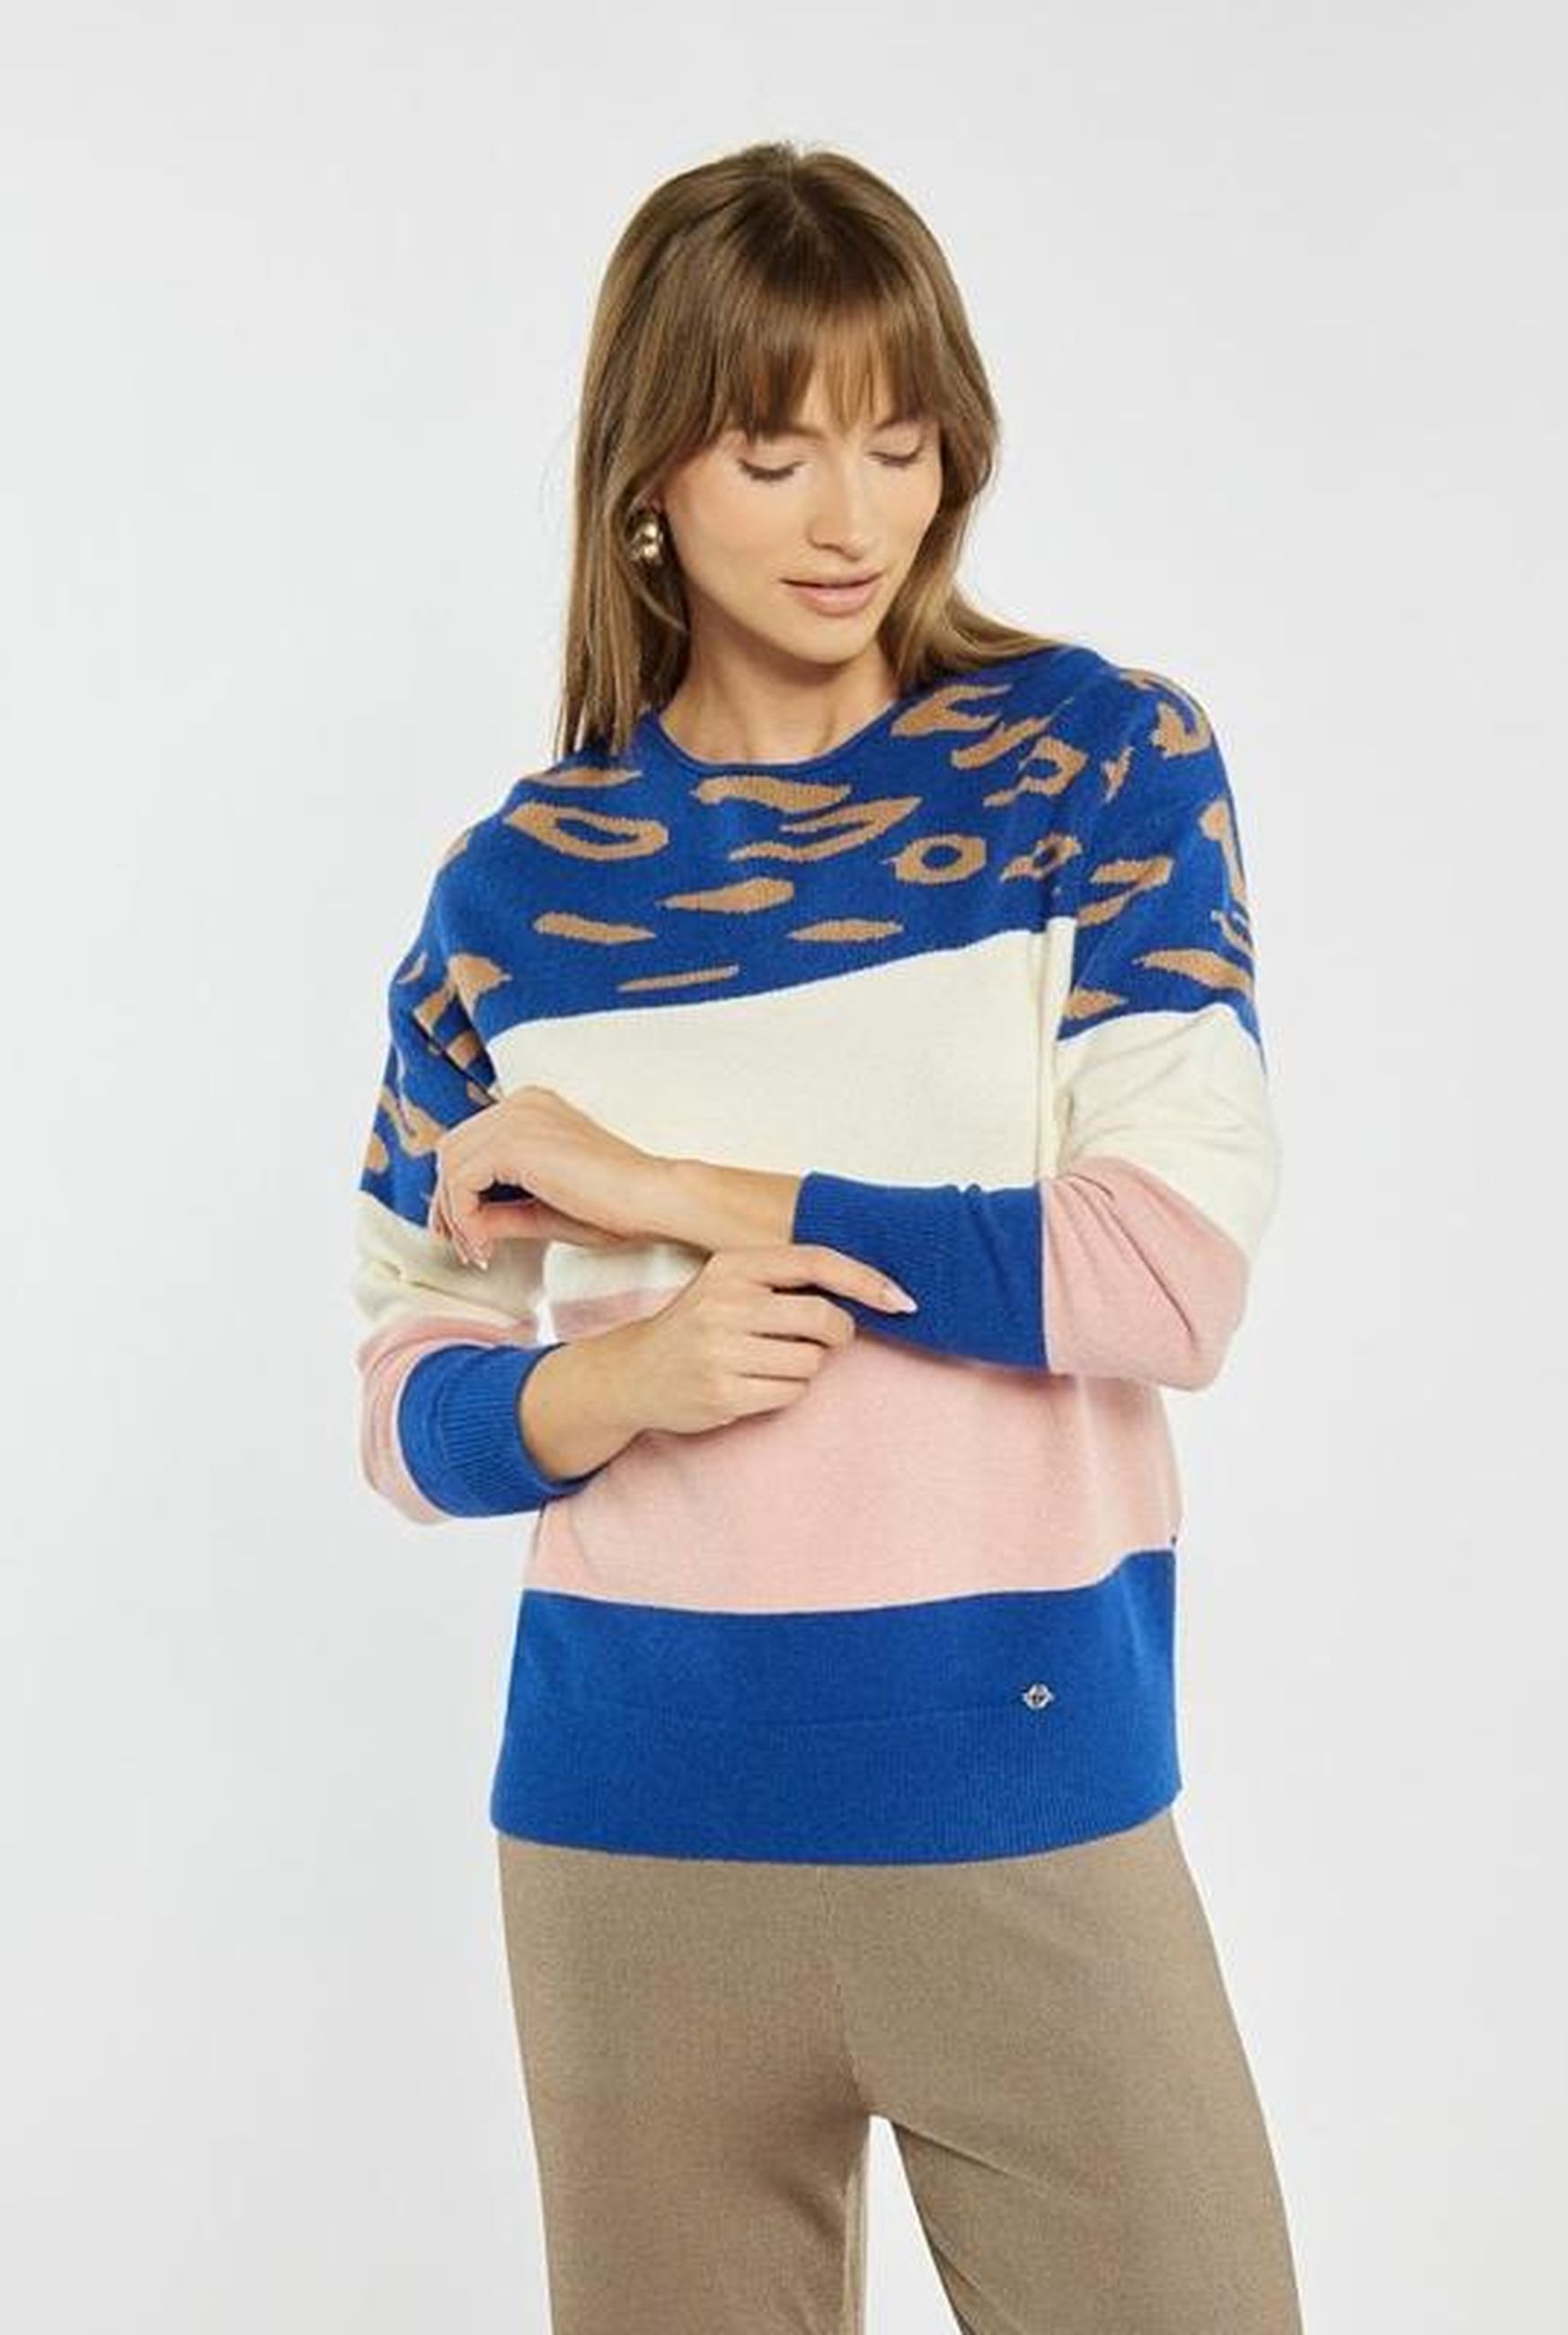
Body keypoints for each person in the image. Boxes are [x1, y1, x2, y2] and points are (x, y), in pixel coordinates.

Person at [350, 138, 1305, 2335]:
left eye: (900, 441)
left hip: (1025, 1801)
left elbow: (1163, 1278)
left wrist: (678, 1193)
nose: (851, 515)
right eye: (775, 453)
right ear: (649, 483)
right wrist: (615, 1382)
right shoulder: (517, 892)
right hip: (630, 1833)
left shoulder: (1094, 768)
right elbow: (406, 1400)